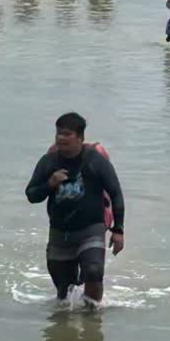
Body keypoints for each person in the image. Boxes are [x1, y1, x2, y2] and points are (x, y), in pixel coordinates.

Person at [25, 112, 125, 307]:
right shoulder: (48, 162)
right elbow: (31, 195)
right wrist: (50, 184)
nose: (61, 138)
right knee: (64, 291)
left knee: (93, 271)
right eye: (58, 133)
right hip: (60, 232)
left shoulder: (95, 161)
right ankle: (66, 322)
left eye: (67, 134)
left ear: (80, 137)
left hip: (91, 228)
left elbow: (116, 193)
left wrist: (118, 230)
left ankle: (92, 315)